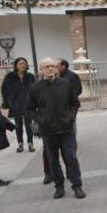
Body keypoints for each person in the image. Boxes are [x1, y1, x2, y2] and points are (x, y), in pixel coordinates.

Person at [26, 58, 85, 199]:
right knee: (53, 159)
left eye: (53, 66)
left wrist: (71, 117)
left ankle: (77, 186)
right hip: (48, 130)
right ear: (41, 70)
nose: (51, 69)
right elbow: (29, 109)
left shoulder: (65, 83)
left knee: (71, 157)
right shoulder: (35, 88)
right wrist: (41, 120)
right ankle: (59, 186)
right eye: (47, 67)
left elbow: (75, 103)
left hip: (66, 128)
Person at [1, 57, 36, 152]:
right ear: (16, 65)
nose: (23, 65)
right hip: (15, 105)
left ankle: (30, 144)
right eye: (20, 63)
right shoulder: (9, 77)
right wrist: (7, 102)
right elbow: (4, 90)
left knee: (29, 125)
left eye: (24, 63)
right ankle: (20, 144)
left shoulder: (31, 76)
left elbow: (35, 90)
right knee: (18, 126)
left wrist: (35, 102)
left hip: (28, 105)